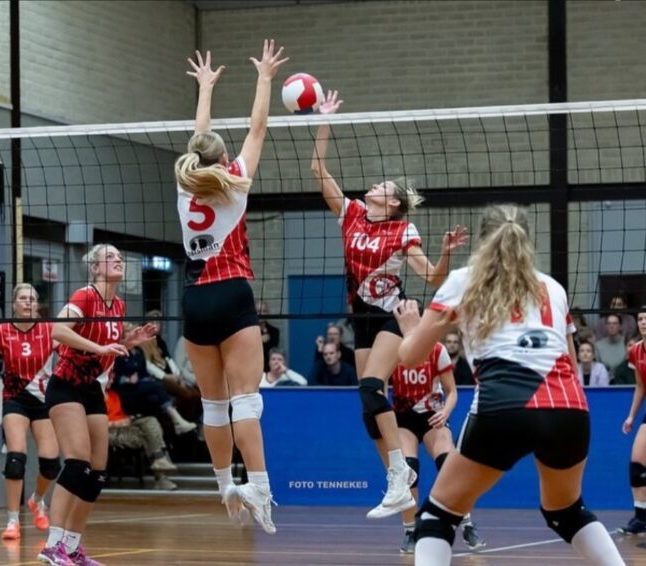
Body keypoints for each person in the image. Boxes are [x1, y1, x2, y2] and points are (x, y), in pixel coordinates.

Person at [393, 204, 623, 566]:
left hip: (505, 405)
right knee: (567, 511)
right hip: (570, 408)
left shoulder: (462, 281)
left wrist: (409, 328)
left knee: (437, 517)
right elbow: (570, 356)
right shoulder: (553, 287)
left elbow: (409, 357)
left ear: (483, 242)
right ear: (527, 240)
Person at [311, 89, 467, 519]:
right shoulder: (353, 213)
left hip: (393, 313)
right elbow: (317, 169)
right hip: (359, 314)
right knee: (367, 409)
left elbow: (434, 277)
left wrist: (446, 251)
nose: (374, 186)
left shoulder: (403, 231)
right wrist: (325, 121)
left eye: (383, 186)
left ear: (394, 202)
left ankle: (401, 477)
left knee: (370, 387)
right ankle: (397, 483)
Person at [174, 42, 288, 534]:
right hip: (233, 292)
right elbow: (258, 128)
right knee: (247, 400)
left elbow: (199, 136)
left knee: (214, 404)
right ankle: (258, 486)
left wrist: (204, 88)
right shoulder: (235, 179)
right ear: (224, 159)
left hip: (195, 299)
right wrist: (264, 78)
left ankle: (225, 485)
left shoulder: (186, 180)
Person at [37, 244, 157, 566]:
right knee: (77, 463)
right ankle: (52, 545)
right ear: (96, 268)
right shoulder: (85, 296)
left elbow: (106, 349)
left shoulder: (118, 304)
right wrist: (100, 347)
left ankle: (73, 548)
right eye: (111, 257)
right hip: (65, 387)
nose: (118, 260)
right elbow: (58, 331)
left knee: (97, 472)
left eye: (120, 257)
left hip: (91, 390)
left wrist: (128, 343)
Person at [0, 283, 59, 540]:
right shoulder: (1, 332)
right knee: (15, 460)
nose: (28, 302)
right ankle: (12, 521)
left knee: (52, 464)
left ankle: (37, 501)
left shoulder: (49, 330)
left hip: (43, 401)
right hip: (15, 399)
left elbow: (71, 355)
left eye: (32, 298)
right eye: (23, 298)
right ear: (14, 303)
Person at [391, 342, 485, 554]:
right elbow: (376, 382)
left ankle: (467, 524)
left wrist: (445, 412)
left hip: (433, 416)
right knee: (408, 469)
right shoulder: (392, 348)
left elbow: (452, 391)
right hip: (403, 419)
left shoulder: (436, 349)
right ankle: (410, 531)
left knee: (449, 464)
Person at [618, 309, 646, 536]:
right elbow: (641, 386)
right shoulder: (636, 351)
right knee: (637, 462)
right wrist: (631, 416)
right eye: (641, 319)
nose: (643, 322)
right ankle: (640, 519)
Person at [105, 387, 177, 490]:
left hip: (125, 426)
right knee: (149, 436)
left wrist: (128, 419)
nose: (111, 379)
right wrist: (114, 424)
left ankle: (160, 460)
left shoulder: (113, 394)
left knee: (151, 422)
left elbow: (121, 414)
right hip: (107, 431)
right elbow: (90, 423)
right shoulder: (92, 395)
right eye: (109, 376)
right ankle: (161, 477)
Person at [141, 310, 202, 426]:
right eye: (152, 322)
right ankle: (181, 425)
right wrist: (166, 376)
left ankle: (190, 425)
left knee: (196, 395)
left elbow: (169, 359)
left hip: (171, 375)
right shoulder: (143, 341)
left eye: (158, 322)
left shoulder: (160, 341)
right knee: (187, 395)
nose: (156, 325)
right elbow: (148, 365)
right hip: (158, 377)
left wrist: (177, 375)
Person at [595, 313, 627, 377]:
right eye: (609, 323)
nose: (611, 326)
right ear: (606, 326)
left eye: (615, 323)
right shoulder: (598, 345)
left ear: (620, 326)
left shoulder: (626, 343)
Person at [256, 300, 280, 372]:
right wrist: (259, 341)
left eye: (264, 311)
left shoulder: (274, 332)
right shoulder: (247, 332)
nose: (261, 314)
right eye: (258, 311)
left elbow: (273, 352)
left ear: (267, 313)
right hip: (251, 370)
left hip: (268, 371)